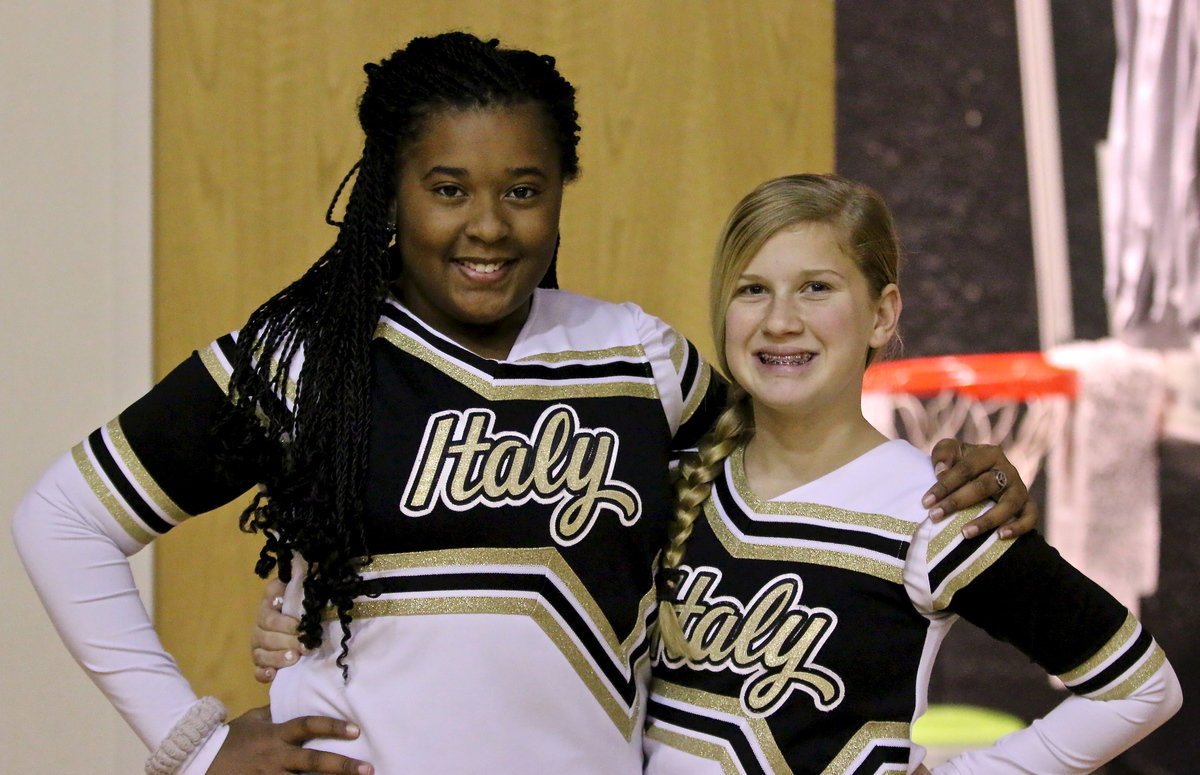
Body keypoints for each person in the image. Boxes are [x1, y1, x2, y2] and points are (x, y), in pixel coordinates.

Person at [12, 34, 1033, 775]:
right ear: (388, 191)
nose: (488, 227)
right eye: (447, 188)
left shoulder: (637, 353)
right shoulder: (306, 359)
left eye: (525, 188)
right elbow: (62, 517)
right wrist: (190, 744)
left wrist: (965, 478)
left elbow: (794, 470)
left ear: (561, 191)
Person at [642, 174, 1182, 774]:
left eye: (816, 288)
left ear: (882, 314)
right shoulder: (669, 479)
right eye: (752, 290)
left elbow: (1141, 689)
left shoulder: (935, 508)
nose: (780, 320)